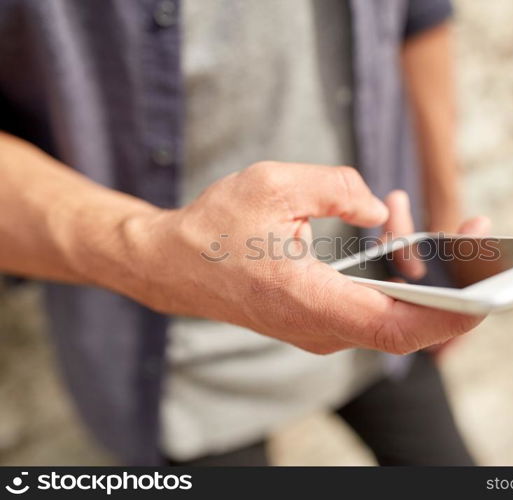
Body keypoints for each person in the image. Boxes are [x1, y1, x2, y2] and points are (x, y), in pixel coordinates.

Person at [0, 0, 488, 465]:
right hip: (181, 367)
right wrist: (154, 250)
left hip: (381, 286)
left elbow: (419, 17)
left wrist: (443, 228)